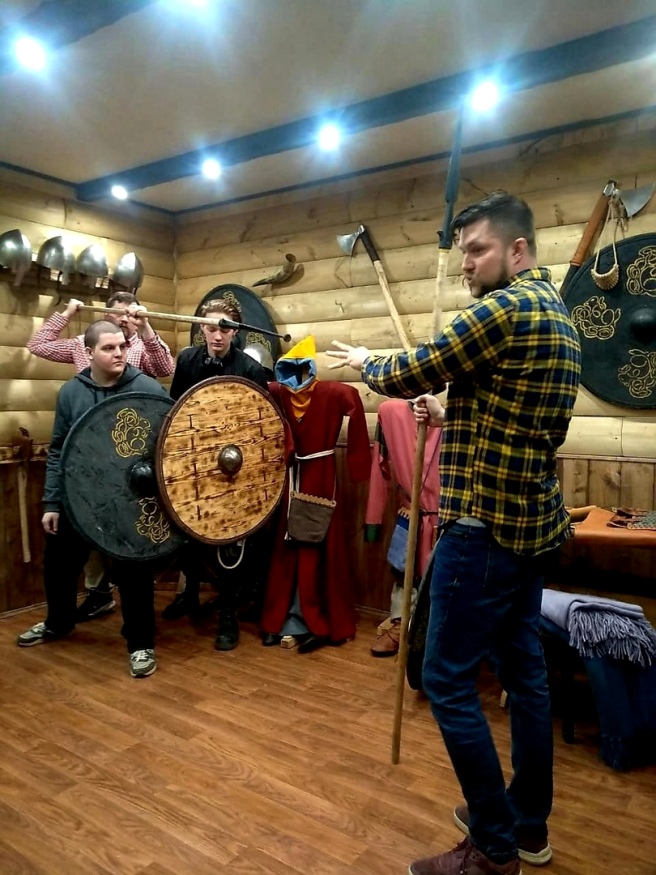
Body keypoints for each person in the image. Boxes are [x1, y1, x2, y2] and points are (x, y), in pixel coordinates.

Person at [327, 191, 581, 875]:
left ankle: (494, 847)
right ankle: (526, 824)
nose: (466, 262)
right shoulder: (553, 312)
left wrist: (368, 361)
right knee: (526, 677)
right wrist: (449, 410)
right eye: (463, 250)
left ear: (517, 250)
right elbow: (513, 409)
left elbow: (415, 368)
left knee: (443, 680)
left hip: (484, 531)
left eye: (478, 249)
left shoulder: (502, 309)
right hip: (530, 527)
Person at [17, 320, 171, 679]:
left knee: (134, 573)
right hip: (80, 496)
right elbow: (59, 451)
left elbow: (168, 447)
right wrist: (52, 503)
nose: (119, 353)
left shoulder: (147, 388)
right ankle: (58, 622)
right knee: (59, 563)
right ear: (88, 353)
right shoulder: (72, 392)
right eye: (108, 348)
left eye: (121, 346)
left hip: (130, 500)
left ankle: (140, 642)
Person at [162, 298, 270, 652]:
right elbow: (176, 410)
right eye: (210, 327)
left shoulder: (249, 369)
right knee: (188, 538)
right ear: (202, 329)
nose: (217, 335)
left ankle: (227, 614)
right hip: (193, 464)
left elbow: (260, 423)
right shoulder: (187, 361)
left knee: (228, 545)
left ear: (235, 332)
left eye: (225, 328)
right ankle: (189, 595)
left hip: (232, 468)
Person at [260, 336, 371, 653]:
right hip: (290, 477)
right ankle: (280, 617)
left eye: (302, 367)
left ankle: (314, 619)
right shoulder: (276, 392)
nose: (296, 376)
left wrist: (358, 464)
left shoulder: (334, 393)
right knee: (287, 544)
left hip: (321, 478)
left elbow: (355, 403)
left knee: (316, 542)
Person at [365, 398, 442, 657]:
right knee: (403, 573)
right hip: (411, 512)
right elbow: (379, 468)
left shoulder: (461, 410)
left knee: (442, 581)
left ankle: (435, 636)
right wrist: (373, 519)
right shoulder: (390, 414)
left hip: (447, 517)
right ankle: (400, 624)